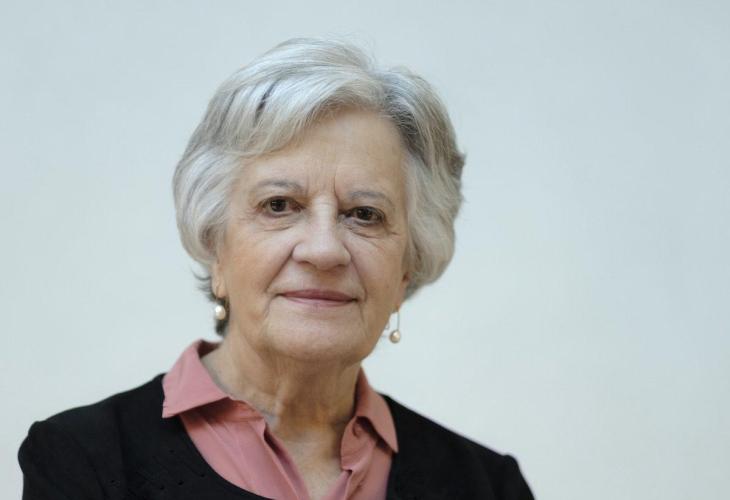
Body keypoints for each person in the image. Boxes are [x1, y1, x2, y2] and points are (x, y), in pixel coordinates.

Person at [18, 38, 534, 500]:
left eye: (365, 215)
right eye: (280, 205)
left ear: (406, 270)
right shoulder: (83, 462)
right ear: (216, 246)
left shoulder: (488, 487)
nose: (324, 250)